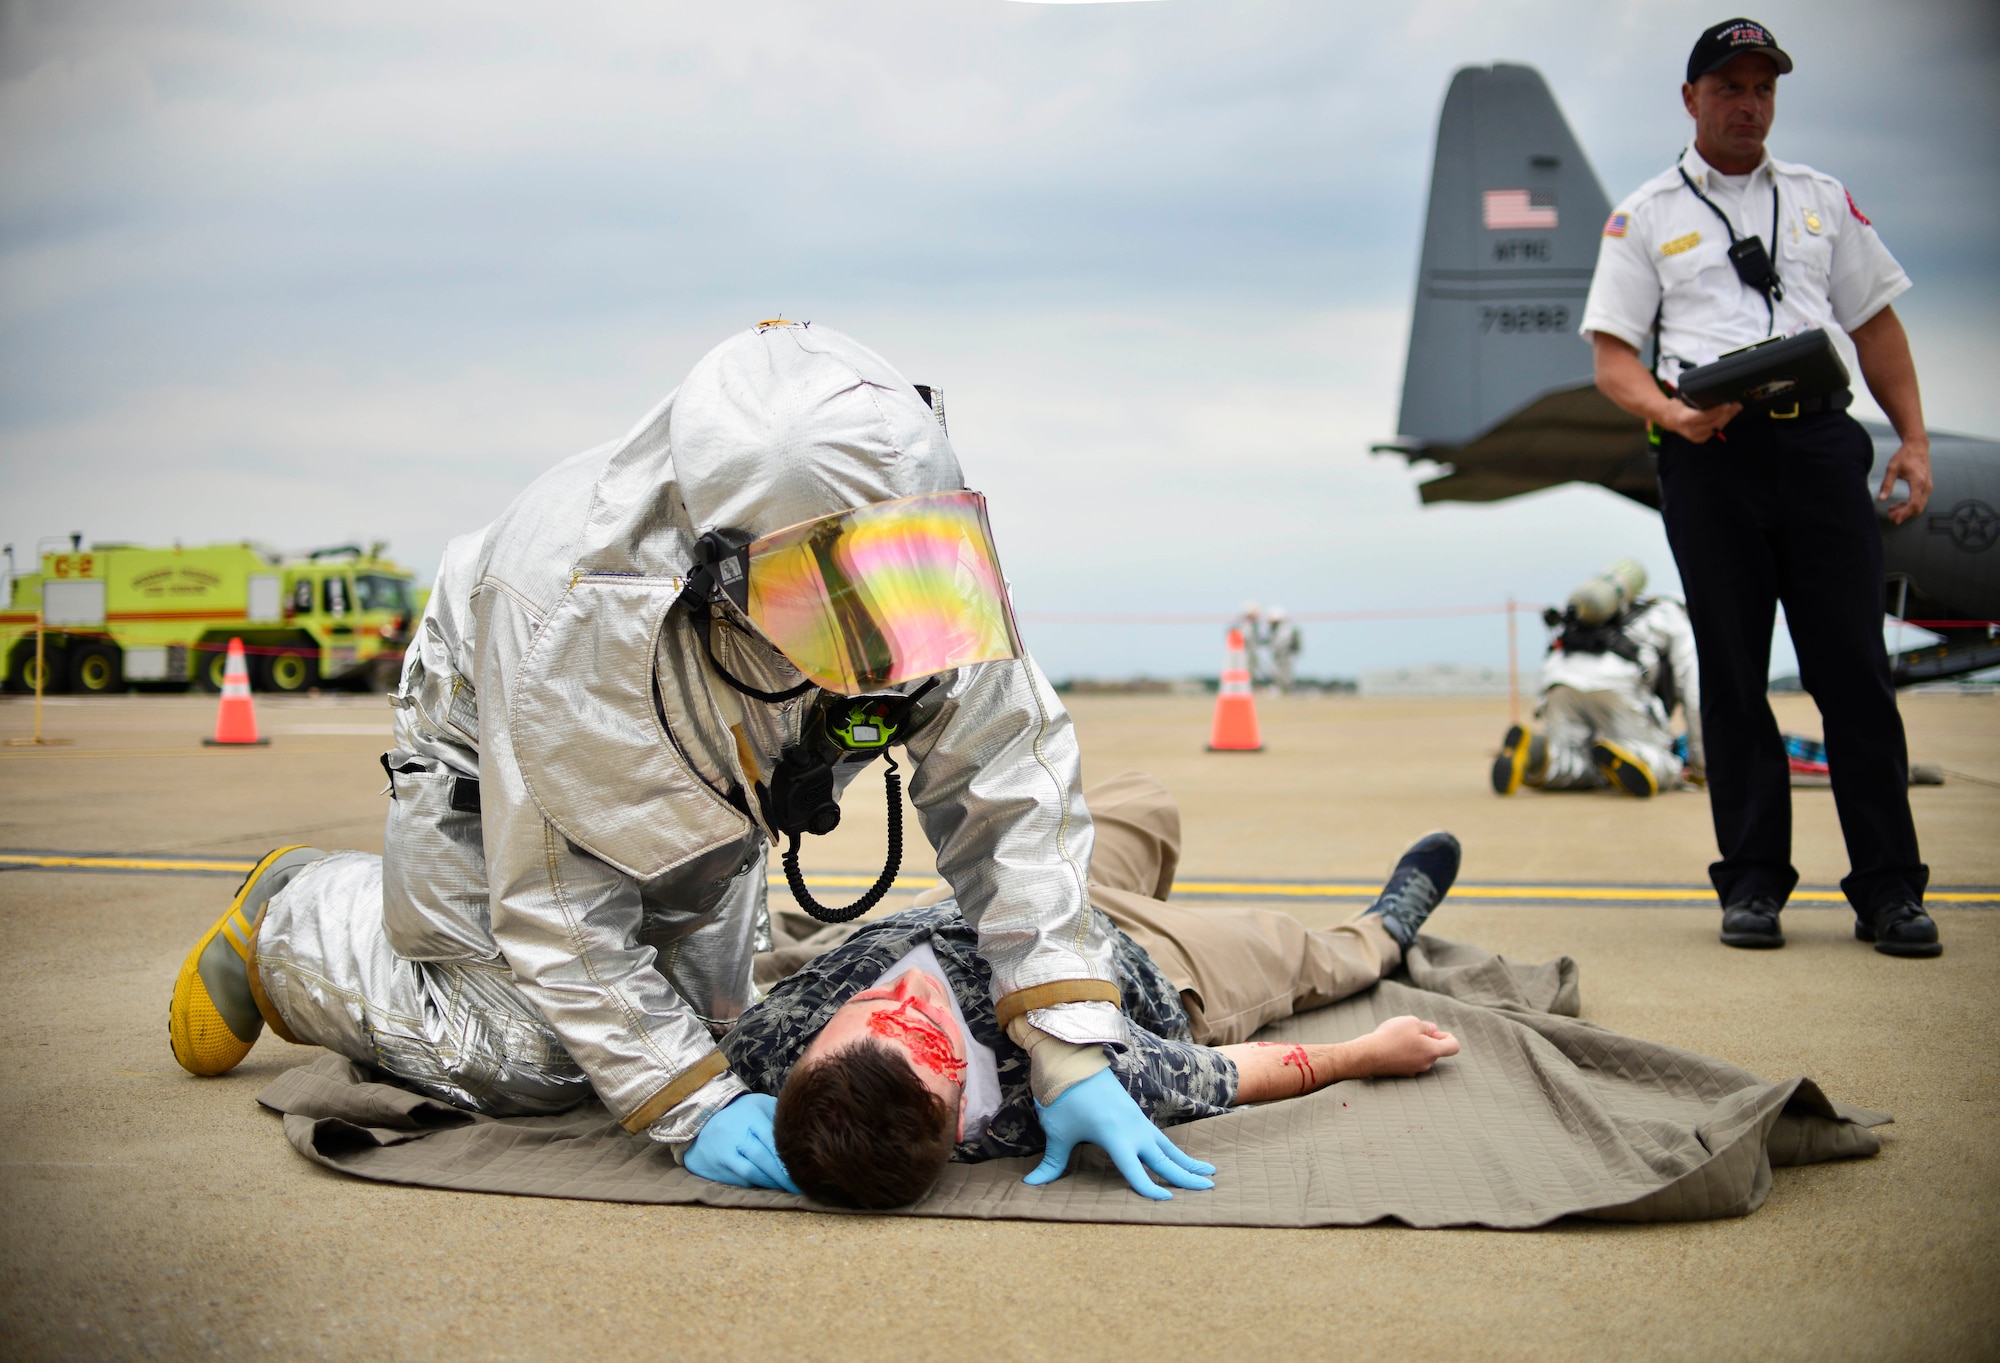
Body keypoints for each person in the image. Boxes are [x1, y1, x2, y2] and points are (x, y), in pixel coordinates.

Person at [167, 322, 1222, 1198]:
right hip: (502, 743)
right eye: (857, 594)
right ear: (729, 572)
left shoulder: (910, 548)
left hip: (714, 763)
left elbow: (1008, 781)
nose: (903, 633)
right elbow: (556, 905)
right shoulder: (565, 617)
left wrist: (1068, 1038)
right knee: (529, 1059)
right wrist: (687, 1101)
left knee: (726, 1030)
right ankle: (299, 914)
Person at [1579, 19, 1939, 956]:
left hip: (1821, 446)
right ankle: (1751, 887)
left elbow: (1877, 327)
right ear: (1691, 99)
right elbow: (1612, 355)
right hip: (1710, 455)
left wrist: (1913, 440)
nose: (1749, 104)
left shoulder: (1823, 201)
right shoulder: (1646, 214)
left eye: (1763, 88)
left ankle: (1890, 890)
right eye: (1730, 87)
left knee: (1853, 670)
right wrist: (1669, 413)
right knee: (1734, 675)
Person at [724, 772, 1462, 1209]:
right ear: (958, 1119)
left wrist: (702, 1107)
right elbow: (1238, 1072)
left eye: (872, 1009)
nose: (910, 990)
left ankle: (1137, 869)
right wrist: (1365, 1053)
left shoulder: (775, 1045)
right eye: (924, 1031)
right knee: (1302, 954)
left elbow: (634, 1028)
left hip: (1025, 899)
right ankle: (1384, 929)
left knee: (1140, 798)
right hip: (1160, 960)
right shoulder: (1063, 1094)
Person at [1492, 559, 1702, 799]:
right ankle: (1637, 754)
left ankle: (1538, 754)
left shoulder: (1602, 616)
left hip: (1559, 674)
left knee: (1575, 757)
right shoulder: (1673, 614)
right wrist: (1701, 762)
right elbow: (1694, 690)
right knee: (1661, 758)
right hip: (1618, 677)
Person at [1265, 606, 1303, 694]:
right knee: (1277, 673)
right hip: (1278, 656)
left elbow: (1284, 644)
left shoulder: (1286, 630)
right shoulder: (1274, 630)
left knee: (1285, 674)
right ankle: (1281, 689)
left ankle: (1286, 690)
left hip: (1286, 656)